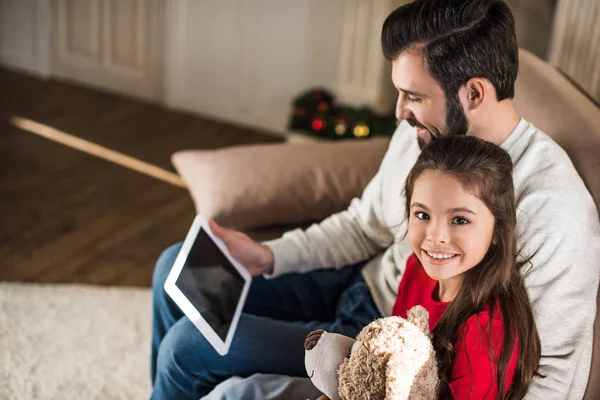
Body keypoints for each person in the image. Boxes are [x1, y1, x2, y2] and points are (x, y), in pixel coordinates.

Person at [150, 0, 600, 398]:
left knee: (189, 347)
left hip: (382, 349)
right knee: (175, 268)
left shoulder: (552, 205)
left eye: (413, 96)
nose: (400, 110)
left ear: (474, 93)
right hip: (361, 283)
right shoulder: (424, 136)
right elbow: (364, 224)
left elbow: (555, 374)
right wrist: (267, 256)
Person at [391, 135, 540, 399]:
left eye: (459, 219)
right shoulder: (416, 269)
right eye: (422, 215)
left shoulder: (484, 333)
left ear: (497, 230)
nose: (435, 236)